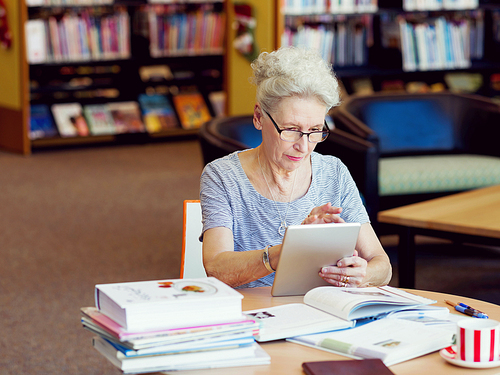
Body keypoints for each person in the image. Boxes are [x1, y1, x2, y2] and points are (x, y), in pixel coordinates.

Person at [200, 46, 392, 289]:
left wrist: (362, 274)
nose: (304, 146)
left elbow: (382, 266)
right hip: (255, 315)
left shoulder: (334, 173)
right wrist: (293, 247)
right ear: (259, 117)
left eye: (315, 131)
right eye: (290, 130)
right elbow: (217, 268)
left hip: (321, 309)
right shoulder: (222, 176)